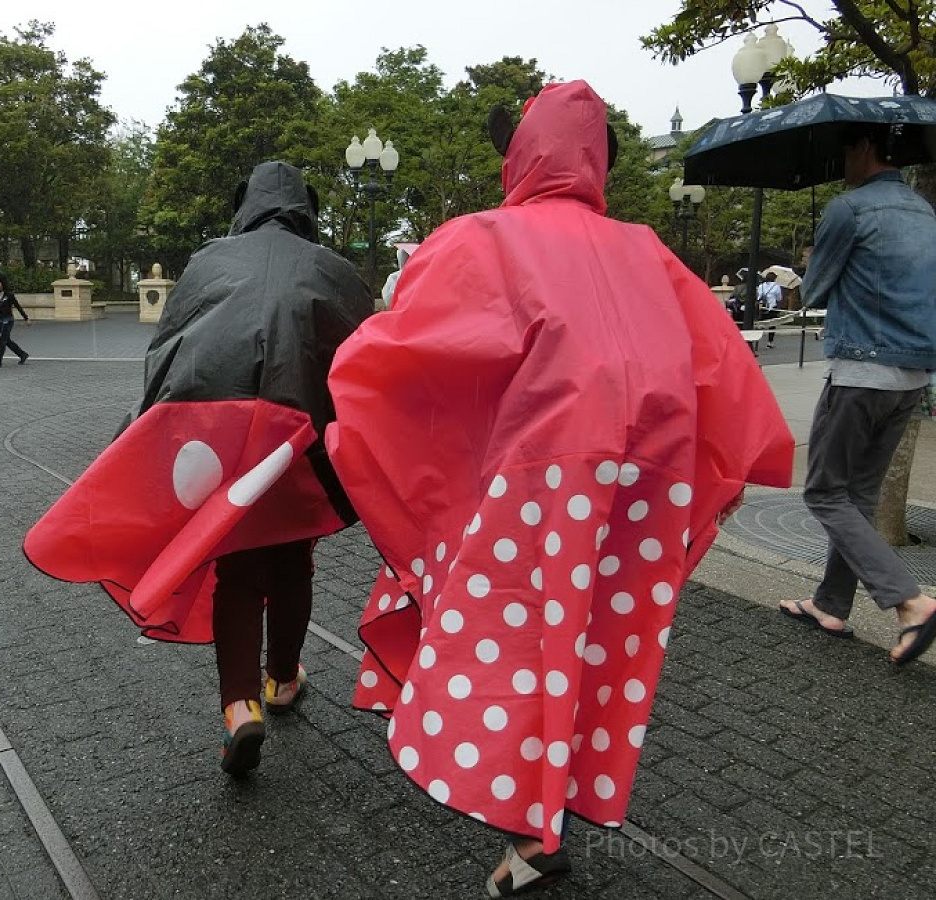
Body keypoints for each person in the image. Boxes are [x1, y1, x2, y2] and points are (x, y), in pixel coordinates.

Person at [324, 81, 795, 896]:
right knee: (596, 646)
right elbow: (724, 373)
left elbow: (402, 356)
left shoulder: (483, 238)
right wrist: (725, 475)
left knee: (512, 643)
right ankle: (551, 812)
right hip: (642, 494)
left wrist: (363, 427)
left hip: (535, 485)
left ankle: (529, 829)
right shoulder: (651, 251)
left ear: (521, 155)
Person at [25, 161, 373, 777]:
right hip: (298, 438)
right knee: (292, 558)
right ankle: (283, 680)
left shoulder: (211, 259)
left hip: (220, 437)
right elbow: (359, 361)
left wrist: (147, 423)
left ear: (246, 205)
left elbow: (169, 345)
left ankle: (240, 709)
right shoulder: (334, 271)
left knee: (237, 564)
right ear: (306, 210)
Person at [778, 122, 936, 666]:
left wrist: (814, 253)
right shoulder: (923, 210)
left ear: (866, 147)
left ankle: (910, 601)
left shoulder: (851, 209)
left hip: (862, 373)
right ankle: (829, 604)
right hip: (913, 379)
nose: (842, 161)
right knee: (859, 497)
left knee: (824, 492)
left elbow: (814, 288)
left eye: (845, 149)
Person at [0, 276, 30, 367]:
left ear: (3, 283)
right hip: (0, 320)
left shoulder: (9, 295)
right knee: (6, 340)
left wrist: (26, 318)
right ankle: (22, 354)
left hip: (8, 320)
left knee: (2, 341)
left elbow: (18, 306)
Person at [756, 270, 783, 346]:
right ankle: (770, 342)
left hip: (762, 306)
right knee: (772, 325)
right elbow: (779, 298)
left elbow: (758, 296)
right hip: (772, 307)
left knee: (760, 324)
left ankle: (756, 340)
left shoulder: (761, 286)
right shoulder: (776, 286)